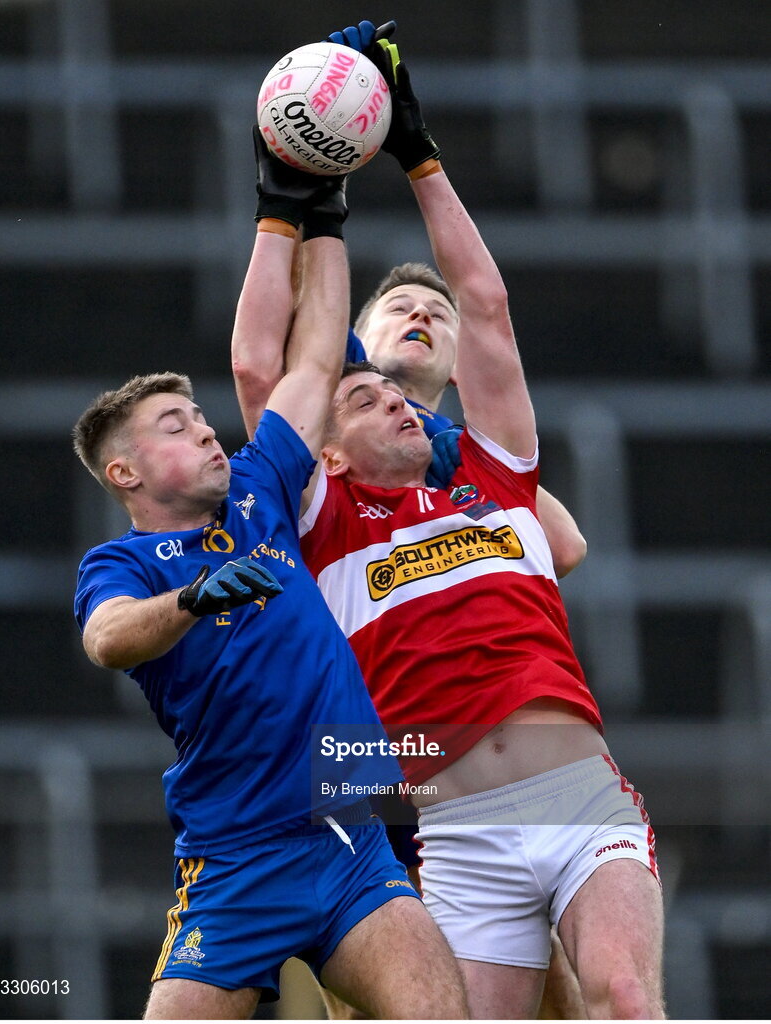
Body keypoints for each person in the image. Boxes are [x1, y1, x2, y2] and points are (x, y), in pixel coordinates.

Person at [294, 28, 665, 1021]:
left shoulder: (484, 464)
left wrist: (416, 152)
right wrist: (302, 198)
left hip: (550, 777)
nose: (420, 315)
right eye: (397, 306)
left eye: (435, 310)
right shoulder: (315, 482)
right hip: (414, 799)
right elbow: (282, 370)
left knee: (610, 995)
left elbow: (566, 543)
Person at [72, 152, 468, 1020]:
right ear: (126, 472)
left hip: (348, 840)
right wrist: (194, 599)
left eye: (203, 419)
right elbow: (106, 640)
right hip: (235, 862)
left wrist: (314, 208)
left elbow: (318, 348)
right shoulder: (122, 567)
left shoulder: (260, 488)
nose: (210, 436)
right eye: (177, 429)